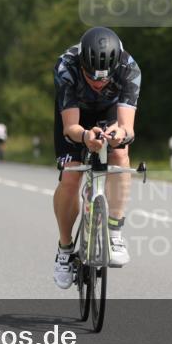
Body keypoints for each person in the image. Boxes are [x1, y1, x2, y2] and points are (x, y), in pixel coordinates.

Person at [52, 26, 140, 289]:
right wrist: (85, 137)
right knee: (71, 176)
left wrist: (119, 134)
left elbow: (128, 128)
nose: (99, 84)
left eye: (104, 79)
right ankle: (65, 249)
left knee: (120, 154)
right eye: (92, 79)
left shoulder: (129, 68)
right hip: (76, 116)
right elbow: (70, 127)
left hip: (110, 112)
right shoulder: (66, 66)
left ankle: (114, 231)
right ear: (82, 65)